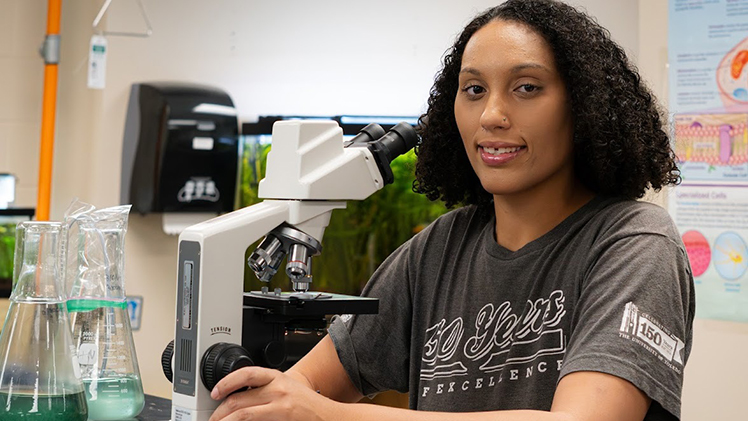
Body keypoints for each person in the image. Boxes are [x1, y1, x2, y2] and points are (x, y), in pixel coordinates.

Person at [208, 1, 694, 420]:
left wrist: (332, 415)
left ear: (585, 106)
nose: (491, 115)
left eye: (527, 87)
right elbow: (302, 392)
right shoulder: (437, 250)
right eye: (474, 90)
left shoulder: (634, 243)